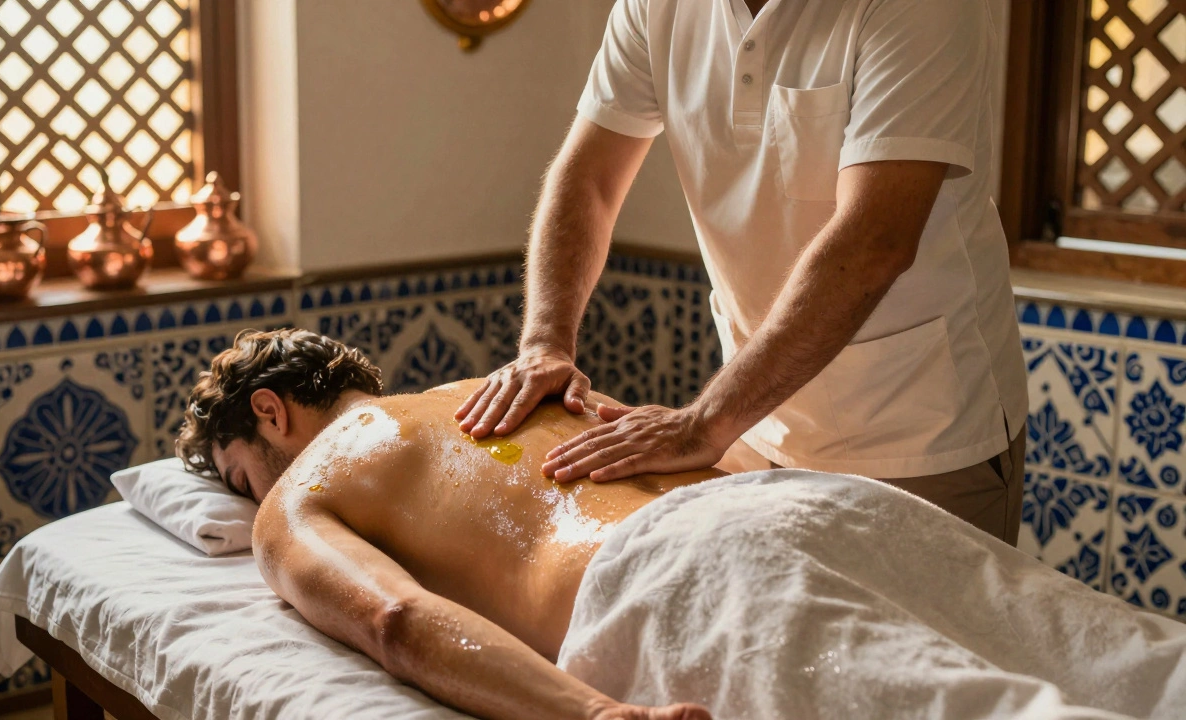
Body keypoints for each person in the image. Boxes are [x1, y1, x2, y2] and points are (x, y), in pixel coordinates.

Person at [178, 330, 1186, 720]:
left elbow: (393, 621)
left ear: (269, 414)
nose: (252, 499)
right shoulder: (502, 391)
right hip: (817, 499)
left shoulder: (303, 485)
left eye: (239, 476)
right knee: (1125, 659)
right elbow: (711, 459)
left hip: (677, 572)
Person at [455, 0, 1029, 545]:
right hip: (754, 422)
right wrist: (544, 344)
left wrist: (703, 422)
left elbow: (876, 238)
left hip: (923, 440)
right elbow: (588, 180)